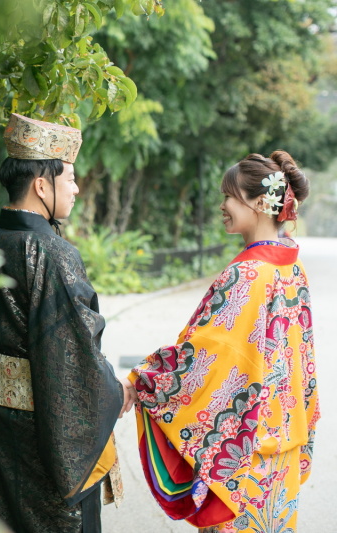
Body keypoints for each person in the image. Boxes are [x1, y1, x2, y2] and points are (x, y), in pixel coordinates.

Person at [0, 113, 137, 533]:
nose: (75, 188)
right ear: (41, 183)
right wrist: (116, 390)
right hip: (57, 428)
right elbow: (77, 354)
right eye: (69, 177)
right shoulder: (54, 253)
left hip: (7, 421)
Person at [129, 151, 320, 532]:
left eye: (229, 197)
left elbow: (206, 354)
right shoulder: (291, 267)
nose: (223, 205)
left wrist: (144, 381)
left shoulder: (248, 273)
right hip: (282, 439)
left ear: (259, 203)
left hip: (245, 447)